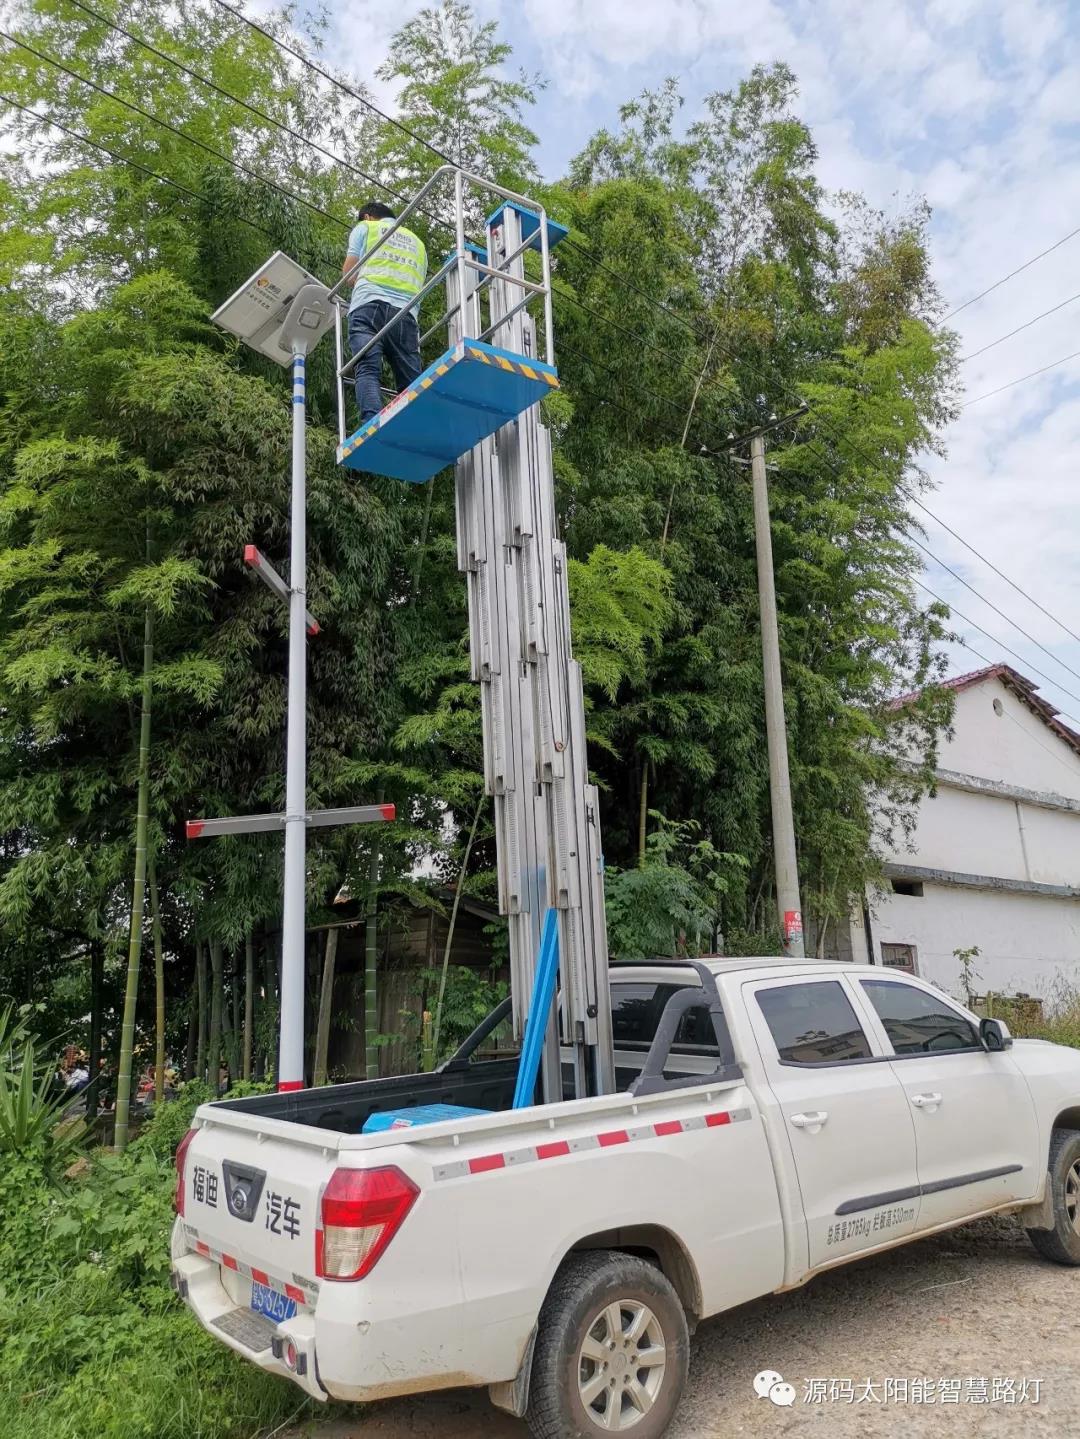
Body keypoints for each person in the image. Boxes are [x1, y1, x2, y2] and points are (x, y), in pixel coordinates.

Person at [342, 200, 428, 428]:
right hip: (406, 313)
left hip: (368, 304)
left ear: (368, 216)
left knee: (367, 369)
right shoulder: (418, 243)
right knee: (410, 379)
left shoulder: (365, 228)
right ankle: (415, 429)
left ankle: (371, 424)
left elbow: (348, 274)